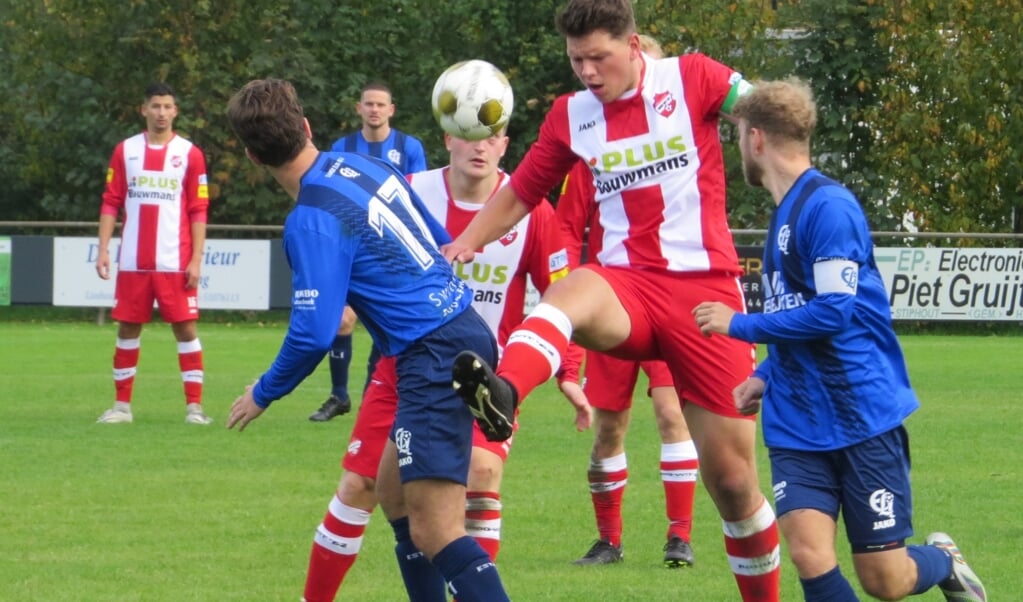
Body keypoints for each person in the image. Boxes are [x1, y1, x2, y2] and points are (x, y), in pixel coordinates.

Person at [443, 1, 781, 599]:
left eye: (598, 57)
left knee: (732, 482)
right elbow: (523, 190)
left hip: (706, 293)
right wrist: (464, 242)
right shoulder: (570, 115)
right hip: (625, 285)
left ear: (631, 46)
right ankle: (503, 394)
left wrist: (789, 175)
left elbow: (765, 113)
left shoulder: (694, 76)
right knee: (569, 292)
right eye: (577, 61)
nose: (588, 73)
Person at [693, 77, 987, 602]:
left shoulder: (828, 208)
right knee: (808, 553)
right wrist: (765, 373)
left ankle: (942, 561)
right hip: (797, 423)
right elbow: (797, 313)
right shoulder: (782, 213)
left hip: (861, 414)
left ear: (756, 139)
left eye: (736, 135)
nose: (736, 146)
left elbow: (832, 312)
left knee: (885, 582)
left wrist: (739, 325)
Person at [224, 78, 510, 602]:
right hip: (464, 324)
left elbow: (314, 333)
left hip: (429, 354)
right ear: (307, 127)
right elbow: (436, 236)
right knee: (393, 499)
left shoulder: (310, 218)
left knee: (437, 532)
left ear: (251, 155)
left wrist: (262, 392)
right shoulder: (366, 164)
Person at [302, 124, 590, 602]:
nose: (479, 145)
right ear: (448, 139)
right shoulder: (413, 190)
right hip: (402, 367)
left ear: (504, 145)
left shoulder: (533, 212)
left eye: (491, 135)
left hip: (481, 379)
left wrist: (569, 370)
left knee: (479, 474)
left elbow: (562, 296)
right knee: (361, 484)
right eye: (468, 133)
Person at [556, 33, 699, 569]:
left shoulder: (685, 148)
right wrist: (572, 316)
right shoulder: (591, 154)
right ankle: (609, 541)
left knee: (671, 413)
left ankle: (678, 537)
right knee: (609, 425)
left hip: (674, 298)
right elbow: (567, 232)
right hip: (615, 307)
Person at [309, 82, 429, 423]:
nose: (374, 109)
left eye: (381, 104)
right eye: (368, 104)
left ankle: (371, 393)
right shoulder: (341, 147)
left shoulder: (410, 148)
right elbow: (330, 198)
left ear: (391, 110)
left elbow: (414, 200)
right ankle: (339, 395)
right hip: (352, 247)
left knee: (386, 322)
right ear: (359, 108)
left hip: (395, 251)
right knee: (342, 320)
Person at [94, 82, 213, 426]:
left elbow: (198, 209)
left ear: (175, 111)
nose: (161, 113)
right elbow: (111, 201)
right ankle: (121, 407)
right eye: (155, 106)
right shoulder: (126, 151)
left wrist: (196, 259)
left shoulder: (190, 154)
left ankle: (194, 408)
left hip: (175, 262)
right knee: (128, 328)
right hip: (133, 261)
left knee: (186, 330)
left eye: (167, 107)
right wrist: (103, 248)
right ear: (143, 110)